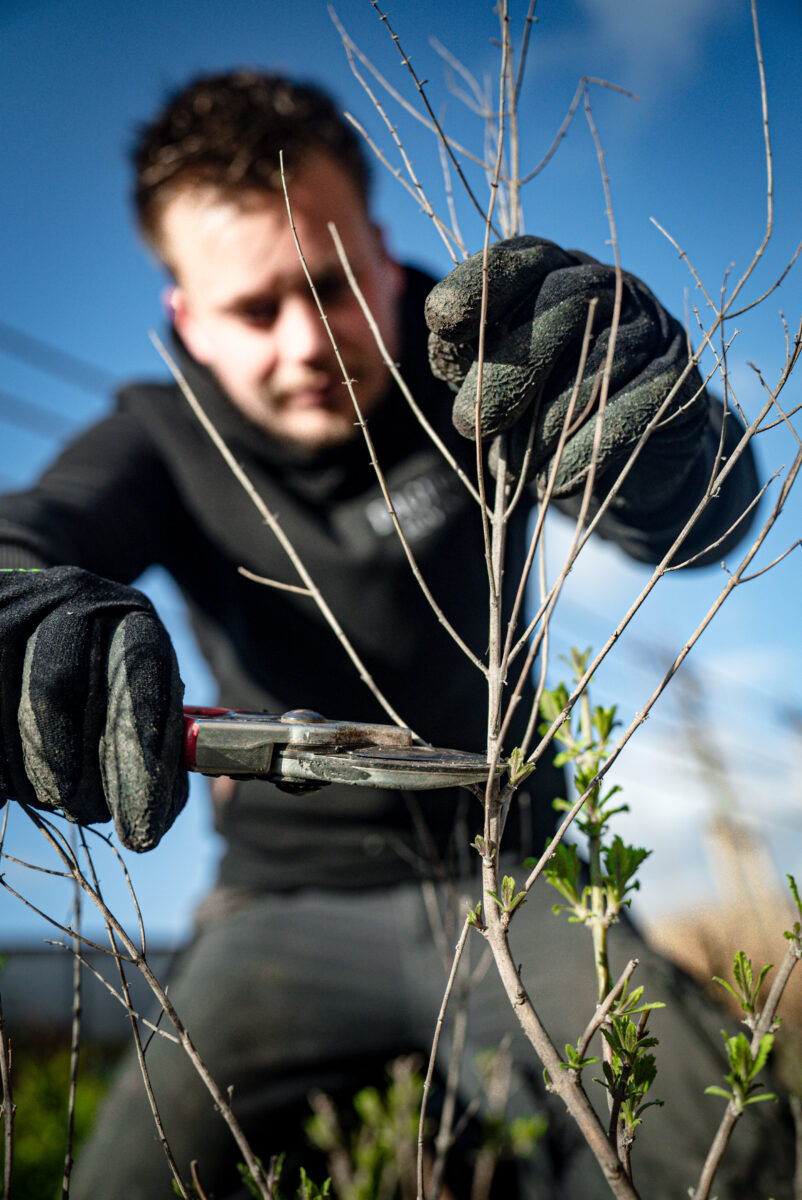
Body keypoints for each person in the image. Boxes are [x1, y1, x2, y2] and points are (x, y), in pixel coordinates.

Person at [0, 73, 787, 1199]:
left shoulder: (493, 355)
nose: (304, 342)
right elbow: (32, 531)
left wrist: (669, 442)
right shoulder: (156, 437)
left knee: (736, 1155)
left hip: (513, 871)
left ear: (380, 241)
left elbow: (700, 521)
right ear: (184, 316)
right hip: (281, 906)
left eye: (329, 286)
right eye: (253, 310)